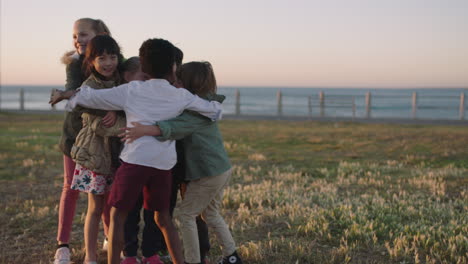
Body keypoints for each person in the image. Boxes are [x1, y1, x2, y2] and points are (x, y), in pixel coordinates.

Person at [50, 38, 222, 264]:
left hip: (134, 163)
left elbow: (91, 97)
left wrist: (66, 95)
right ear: (172, 67)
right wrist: (214, 105)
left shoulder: (132, 90)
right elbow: (213, 111)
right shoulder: (180, 95)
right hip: (163, 165)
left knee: (118, 215)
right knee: (163, 219)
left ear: (144, 66)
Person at [120, 61, 243, 264]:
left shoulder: (195, 113)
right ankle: (232, 256)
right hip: (221, 169)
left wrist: (144, 129)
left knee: (187, 215)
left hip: (208, 172)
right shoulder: (203, 105)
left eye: (177, 80)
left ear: (186, 85)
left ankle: (193, 260)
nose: (173, 83)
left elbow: (173, 127)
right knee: (211, 214)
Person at [54, 17, 112, 264]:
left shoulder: (111, 61)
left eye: (84, 34)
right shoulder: (75, 65)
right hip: (75, 136)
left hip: (103, 137)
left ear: (99, 34)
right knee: (71, 187)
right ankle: (63, 246)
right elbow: (77, 95)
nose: (78, 40)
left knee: (106, 189)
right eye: (75, 36)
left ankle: (110, 237)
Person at [71, 34, 126, 264]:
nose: (107, 63)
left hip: (121, 156)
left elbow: (133, 104)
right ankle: (90, 256)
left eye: (112, 57)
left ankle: (119, 250)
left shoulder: (123, 81)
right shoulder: (89, 87)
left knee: (118, 208)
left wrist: (118, 111)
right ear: (91, 61)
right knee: (95, 208)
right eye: (101, 58)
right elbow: (100, 125)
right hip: (95, 155)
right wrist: (120, 118)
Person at [119, 57, 165, 264]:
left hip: (154, 163)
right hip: (130, 162)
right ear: (127, 77)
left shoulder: (154, 97)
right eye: (142, 78)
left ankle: (150, 253)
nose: (147, 83)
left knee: (151, 211)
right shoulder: (124, 95)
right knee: (129, 211)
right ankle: (128, 254)